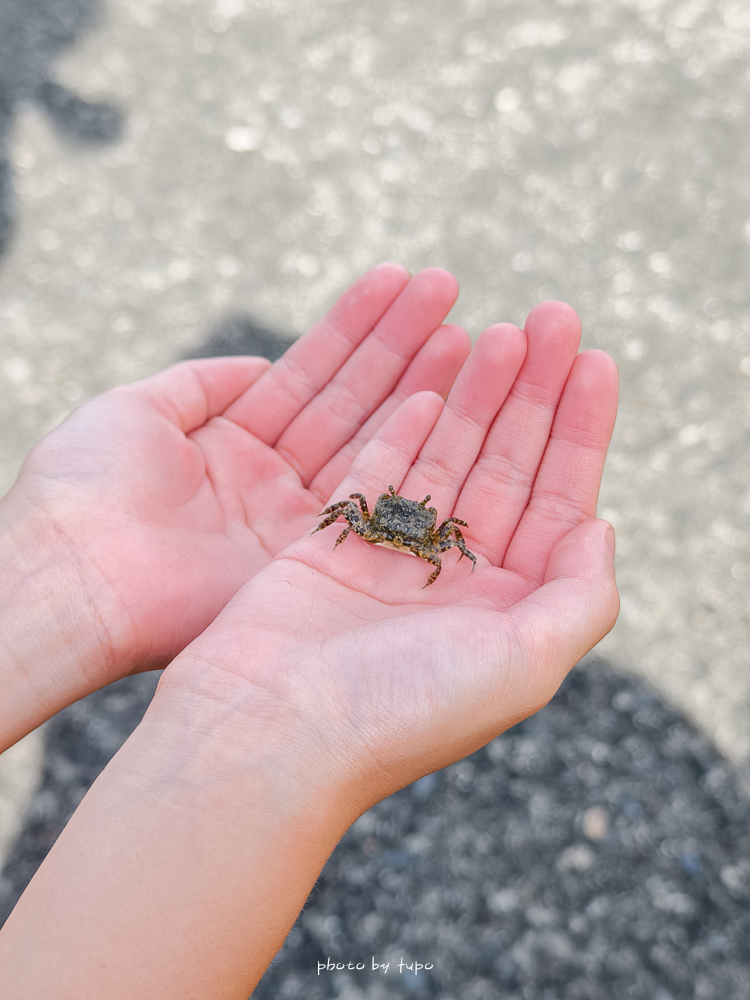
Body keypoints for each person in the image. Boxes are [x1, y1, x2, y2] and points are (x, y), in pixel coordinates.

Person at [0, 263, 619, 998]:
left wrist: (36, 592)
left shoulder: (426, 532)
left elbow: (449, 537)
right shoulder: (369, 514)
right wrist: (49, 582)